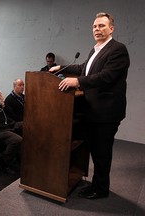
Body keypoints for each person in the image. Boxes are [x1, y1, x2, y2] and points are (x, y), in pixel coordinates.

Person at [49, 12, 130, 199]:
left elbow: (106, 76)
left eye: (102, 26)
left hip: (106, 112)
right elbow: (83, 68)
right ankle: (96, 184)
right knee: (94, 149)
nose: (97, 29)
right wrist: (61, 68)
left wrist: (76, 82)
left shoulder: (118, 49)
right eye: (95, 26)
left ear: (111, 28)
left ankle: (101, 189)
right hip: (93, 111)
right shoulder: (96, 50)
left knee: (102, 152)